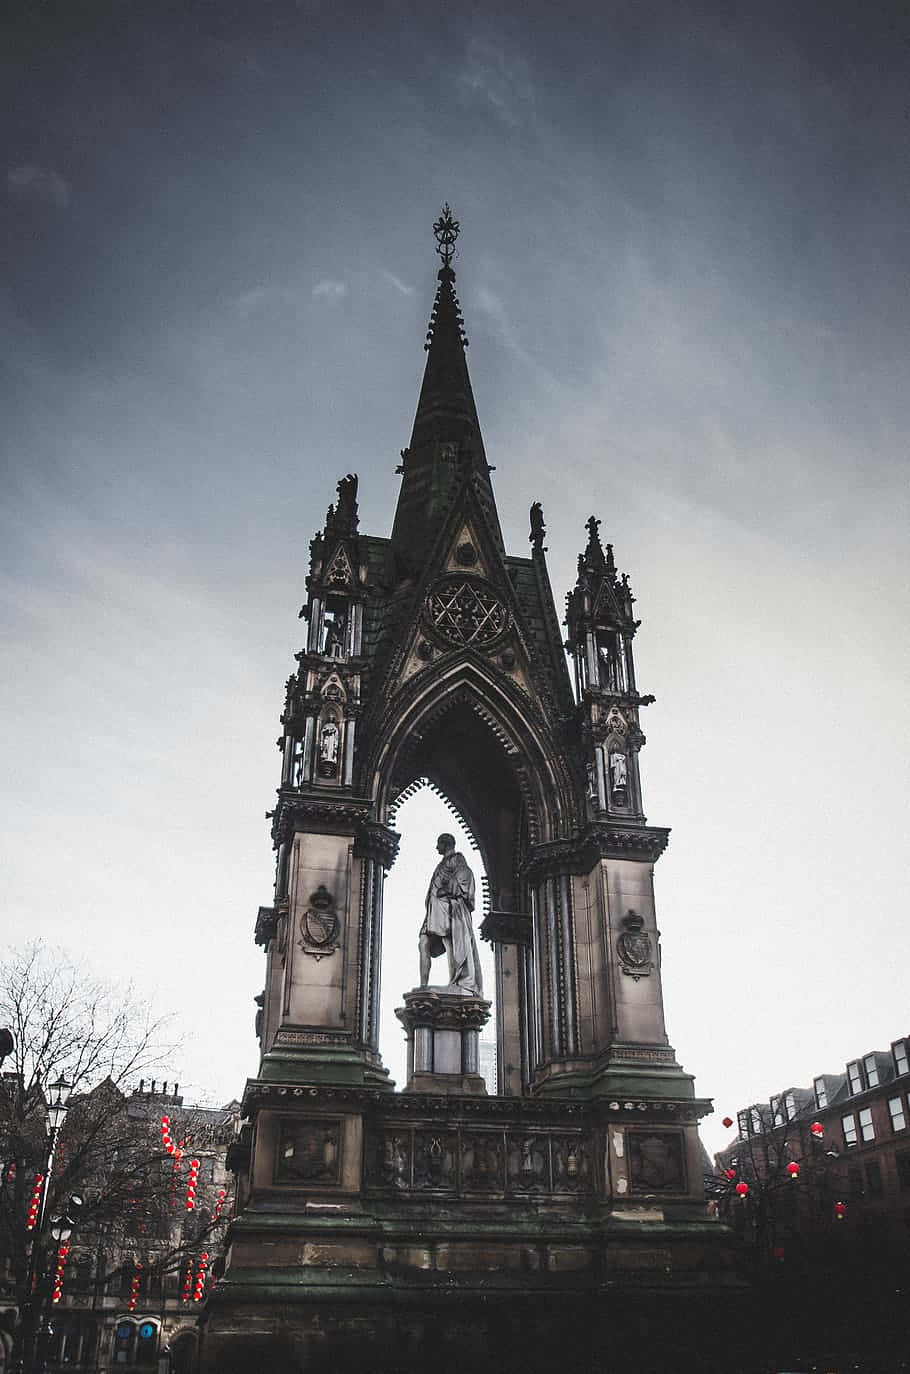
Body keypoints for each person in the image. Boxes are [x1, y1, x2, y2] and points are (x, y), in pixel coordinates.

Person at [419, 834, 483, 995]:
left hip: (446, 909)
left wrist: (448, 889)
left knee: (451, 944)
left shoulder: (456, 859)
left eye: (438, 844)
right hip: (434, 911)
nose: (436, 848)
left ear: (445, 844)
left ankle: (456, 981)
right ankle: (423, 986)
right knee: (423, 943)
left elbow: (465, 876)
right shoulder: (443, 863)